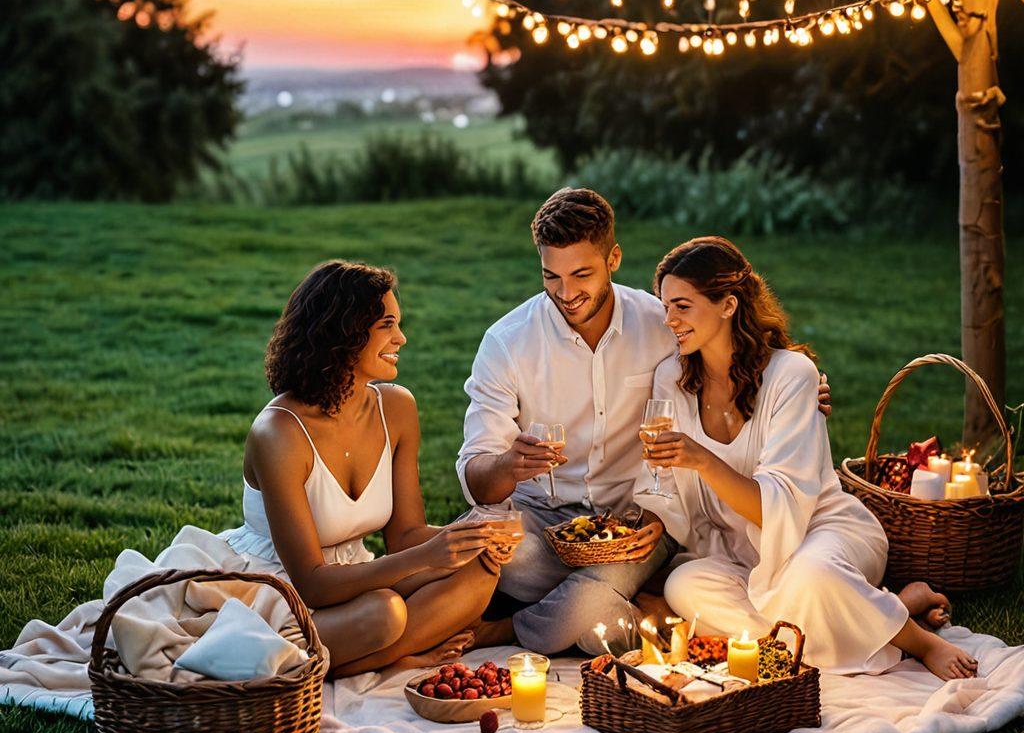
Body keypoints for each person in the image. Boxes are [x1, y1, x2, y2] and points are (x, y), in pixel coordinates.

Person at [458, 189, 833, 654]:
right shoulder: (507, 342)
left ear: (613, 258)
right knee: (487, 546)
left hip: (637, 524)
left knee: (583, 605)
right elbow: (477, 479)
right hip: (542, 526)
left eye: (582, 274)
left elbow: (736, 347)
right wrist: (508, 466)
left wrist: (796, 384)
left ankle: (518, 625)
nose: (567, 293)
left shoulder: (662, 323)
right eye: (550, 276)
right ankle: (624, 607)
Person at [640, 236, 977, 679]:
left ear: (728, 305)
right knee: (687, 585)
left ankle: (918, 640)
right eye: (665, 306)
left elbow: (775, 507)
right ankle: (891, 609)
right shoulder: (673, 378)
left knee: (809, 576)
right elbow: (666, 487)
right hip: (741, 550)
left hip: (820, 531)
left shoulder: (790, 375)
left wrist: (702, 459)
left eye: (682, 306)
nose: (669, 320)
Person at [224, 260, 518, 677]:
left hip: (355, 574)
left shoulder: (396, 407)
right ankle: (392, 658)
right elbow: (312, 583)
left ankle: (361, 657)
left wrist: (471, 537)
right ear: (343, 331)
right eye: (387, 325)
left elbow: (405, 536)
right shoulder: (278, 433)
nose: (402, 337)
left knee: (480, 569)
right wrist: (428, 555)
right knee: (385, 614)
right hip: (281, 591)